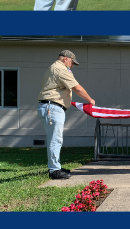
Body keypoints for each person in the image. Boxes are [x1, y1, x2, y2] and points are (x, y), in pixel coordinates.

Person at [37, 50, 96, 179]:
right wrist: (90, 100)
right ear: (65, 59)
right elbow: (77, 88)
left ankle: (55, 166)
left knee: (55, 139)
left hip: (49, 107)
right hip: (52, 108)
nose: (72, 65)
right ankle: (54, 170)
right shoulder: (60, 69)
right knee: (55, 140)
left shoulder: (54, 68)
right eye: (72, 62)